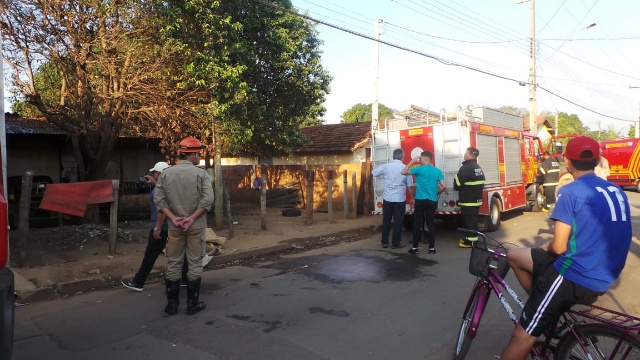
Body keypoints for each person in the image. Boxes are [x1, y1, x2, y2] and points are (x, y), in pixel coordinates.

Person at [500, 136, 632, 360]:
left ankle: (542, 312)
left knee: (520, 337)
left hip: (576, 275)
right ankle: (543, 307)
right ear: (597, 160)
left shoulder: (570, 192)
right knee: (515, 255)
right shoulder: (615, 190)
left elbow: (559, 247)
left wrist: (548, 246)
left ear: (567, 161)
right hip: (607, 272)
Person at [154, 137, 214, 316]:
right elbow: (208, 199)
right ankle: (192, 304)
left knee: (173, 262)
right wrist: (191, 218)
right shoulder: (201, 174)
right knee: (195, 262)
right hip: (194, 226)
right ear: (193, 154)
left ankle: (172, 305)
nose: (199, 157)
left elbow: (159, 200)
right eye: (198, 154)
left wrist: (173, 218)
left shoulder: (166, 174)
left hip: (174, 227)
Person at [121, 162, 188, 291]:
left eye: (154, 173)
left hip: (162, 226)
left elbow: (161, 209)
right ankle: (185, 278)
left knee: (151, 254)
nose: (152, 175)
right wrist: (154, 183)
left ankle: (138, 281)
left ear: (158, 174)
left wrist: (157, 228)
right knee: (181, 251)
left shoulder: (160, 191)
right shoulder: (170, 186)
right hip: (173, 225)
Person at [401, 151, 446, 255]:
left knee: (417, 223)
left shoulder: (419, 169)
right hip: (432, 201)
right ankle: (431, 249)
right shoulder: (437, 171)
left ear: (425, 159)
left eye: (420, 159)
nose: (419, 160)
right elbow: (444, 186)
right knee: (430, 224)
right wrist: (436, 192)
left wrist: (412, 160)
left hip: (420, 200)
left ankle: (415, 248)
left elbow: (403, 172)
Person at [372, 148, 415, 249]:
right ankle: (396, 243)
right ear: (402, 157)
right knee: (398, 221)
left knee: (386, 220)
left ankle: (384, 242)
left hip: (387, 198)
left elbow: (374, 173)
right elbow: (410, 186)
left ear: (393, 156)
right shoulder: (405, 169)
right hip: (399, 200)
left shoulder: (386, 166)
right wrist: (412, 198)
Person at [454, 147, 486, 248]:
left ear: (471, 155)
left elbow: (457, 185)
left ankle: (470, 242)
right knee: (473, 220)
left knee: (468, 222)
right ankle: (472, 239)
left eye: (466, 153)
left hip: (468, 201)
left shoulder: (465, 168)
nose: (464, 154)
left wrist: (456, 177)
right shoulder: (477, 167)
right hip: (475, 200)